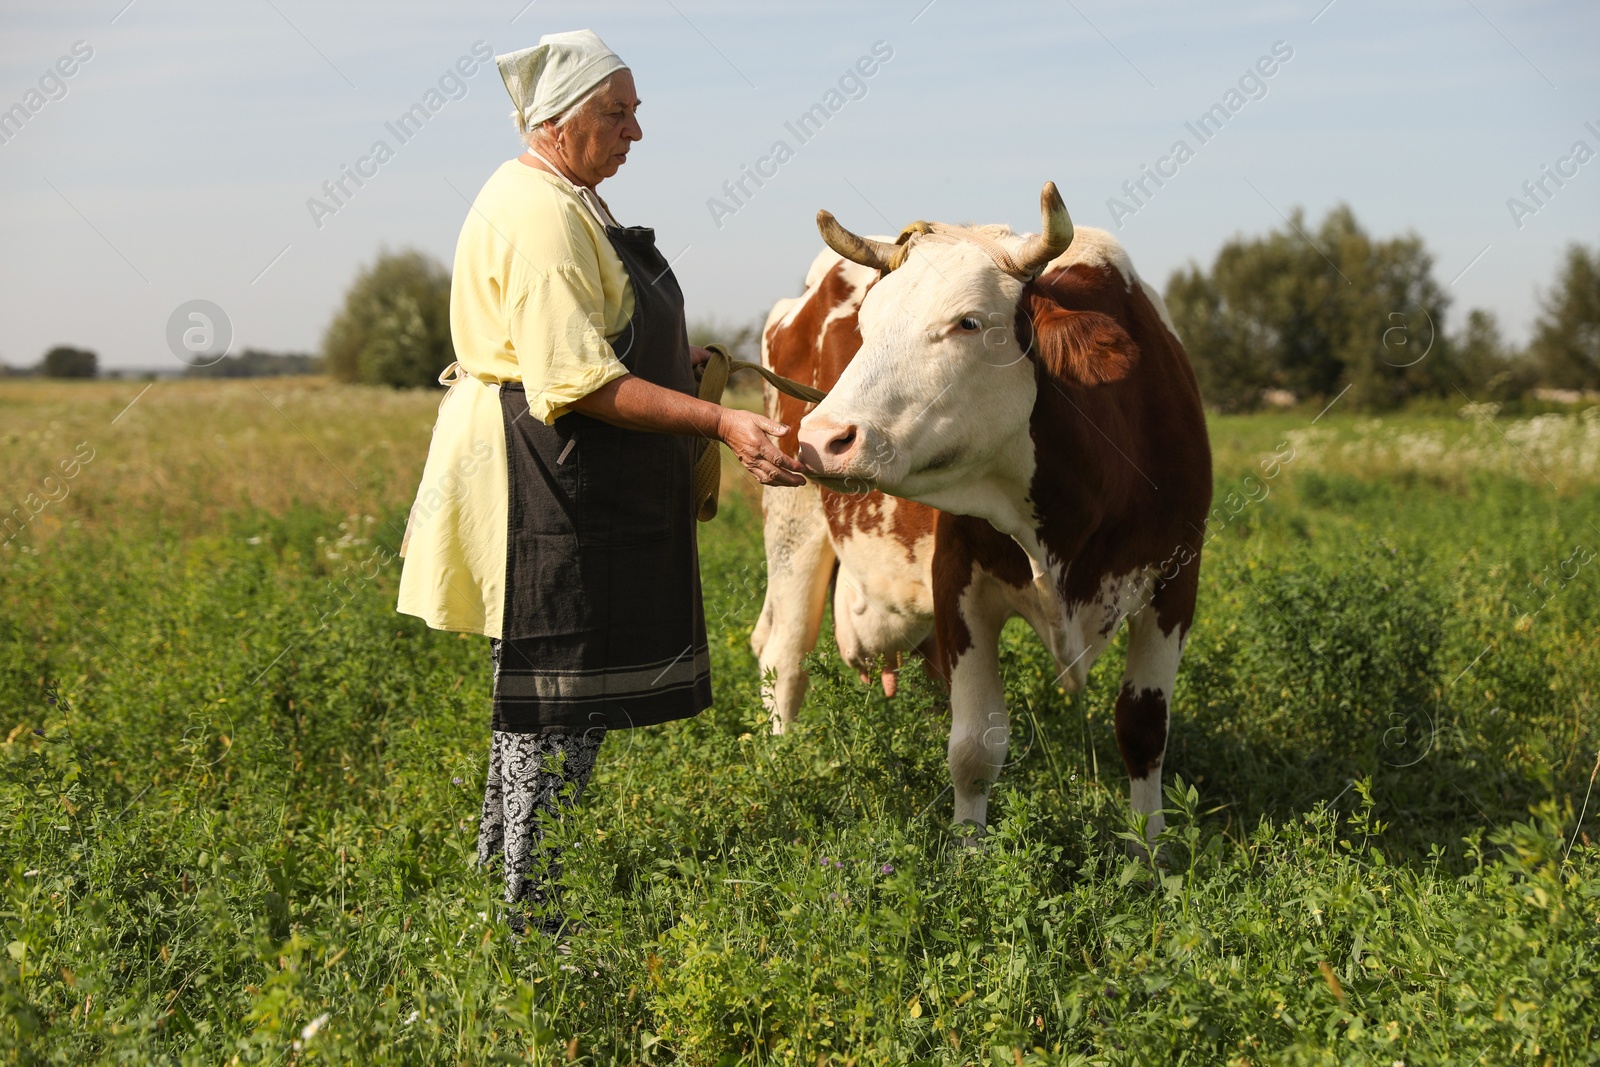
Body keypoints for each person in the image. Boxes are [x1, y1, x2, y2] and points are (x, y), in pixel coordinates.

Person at [395, 28, 805, 934]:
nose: (635, 133)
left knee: (535, 704)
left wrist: (678, 357)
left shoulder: (561, 197)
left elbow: (596, 332)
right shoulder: (541, 217)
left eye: (635, 113)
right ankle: (535, 920)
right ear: (558, 121)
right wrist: (724, 422)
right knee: (554, 697)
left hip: (547, 464)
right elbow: (579, 381)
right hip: (541, 474)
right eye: (616, 114)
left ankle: (497, 883)